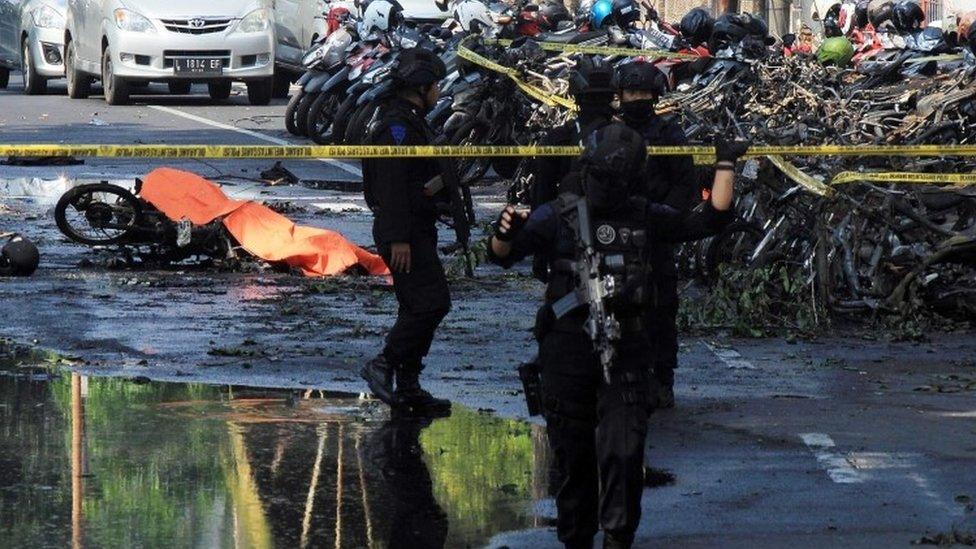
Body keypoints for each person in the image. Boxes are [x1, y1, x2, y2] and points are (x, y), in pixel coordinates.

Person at [488, 123, 749, 548]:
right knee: (574, 460)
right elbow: (501, 256)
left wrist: (725, 162)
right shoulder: (557, 215)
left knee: (624, 454)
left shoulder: (644, 214)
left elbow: (709, 221)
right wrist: (504, 233)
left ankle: (616, 538)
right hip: (568, 350)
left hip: (626, 349)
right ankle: (578, 537)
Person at [359, 47, 452, 417]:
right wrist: (400, 237)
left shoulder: (410, 119)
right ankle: (384, 363)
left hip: (415, 226)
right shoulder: (396, 127)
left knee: (415, 305)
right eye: (436, 86)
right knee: (432, 302)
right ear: (421, 87)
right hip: (403, 232)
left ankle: (409, 385)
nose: (439, 92)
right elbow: (393, 183)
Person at [613, 60, 697, 408]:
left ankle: (663, 378)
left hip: (657, 232)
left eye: (644, 93)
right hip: (617, 234)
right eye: (632, 92)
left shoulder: (669, 134)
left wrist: (664, 217)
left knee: (662, 308)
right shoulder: (608, 134)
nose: (638, 99)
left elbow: (685, 184)